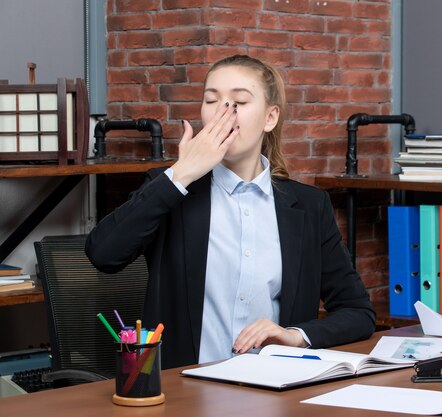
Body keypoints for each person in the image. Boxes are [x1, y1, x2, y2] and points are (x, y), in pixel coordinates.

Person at [86, 54, 376, 369]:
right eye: (212, 100)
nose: (224, 112)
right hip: (187, 394)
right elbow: (103, 253)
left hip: (276, 387)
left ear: (270, 117)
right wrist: (182, 173)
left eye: (239, 100)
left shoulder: (308, 206)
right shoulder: (170, 190)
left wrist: (295, 335)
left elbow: (358, 312)